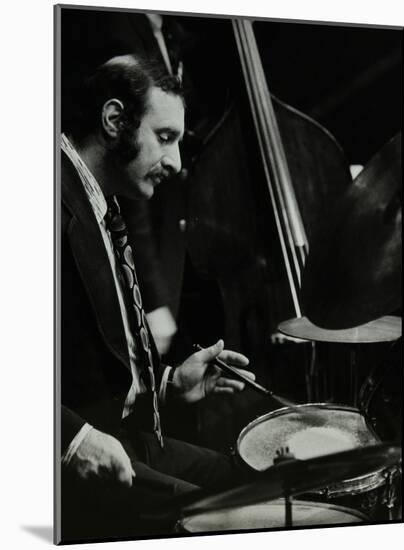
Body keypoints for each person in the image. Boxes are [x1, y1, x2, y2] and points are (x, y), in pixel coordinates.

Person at [59, 53, 255, 542]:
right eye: (165, 138)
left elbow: (91, 351)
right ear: (113, 121)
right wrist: (66, 438)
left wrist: (167, 386)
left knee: (250, 481)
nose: (177, 162)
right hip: (75, 448)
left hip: (122, 431)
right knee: (227, 522)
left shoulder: (100, 202)